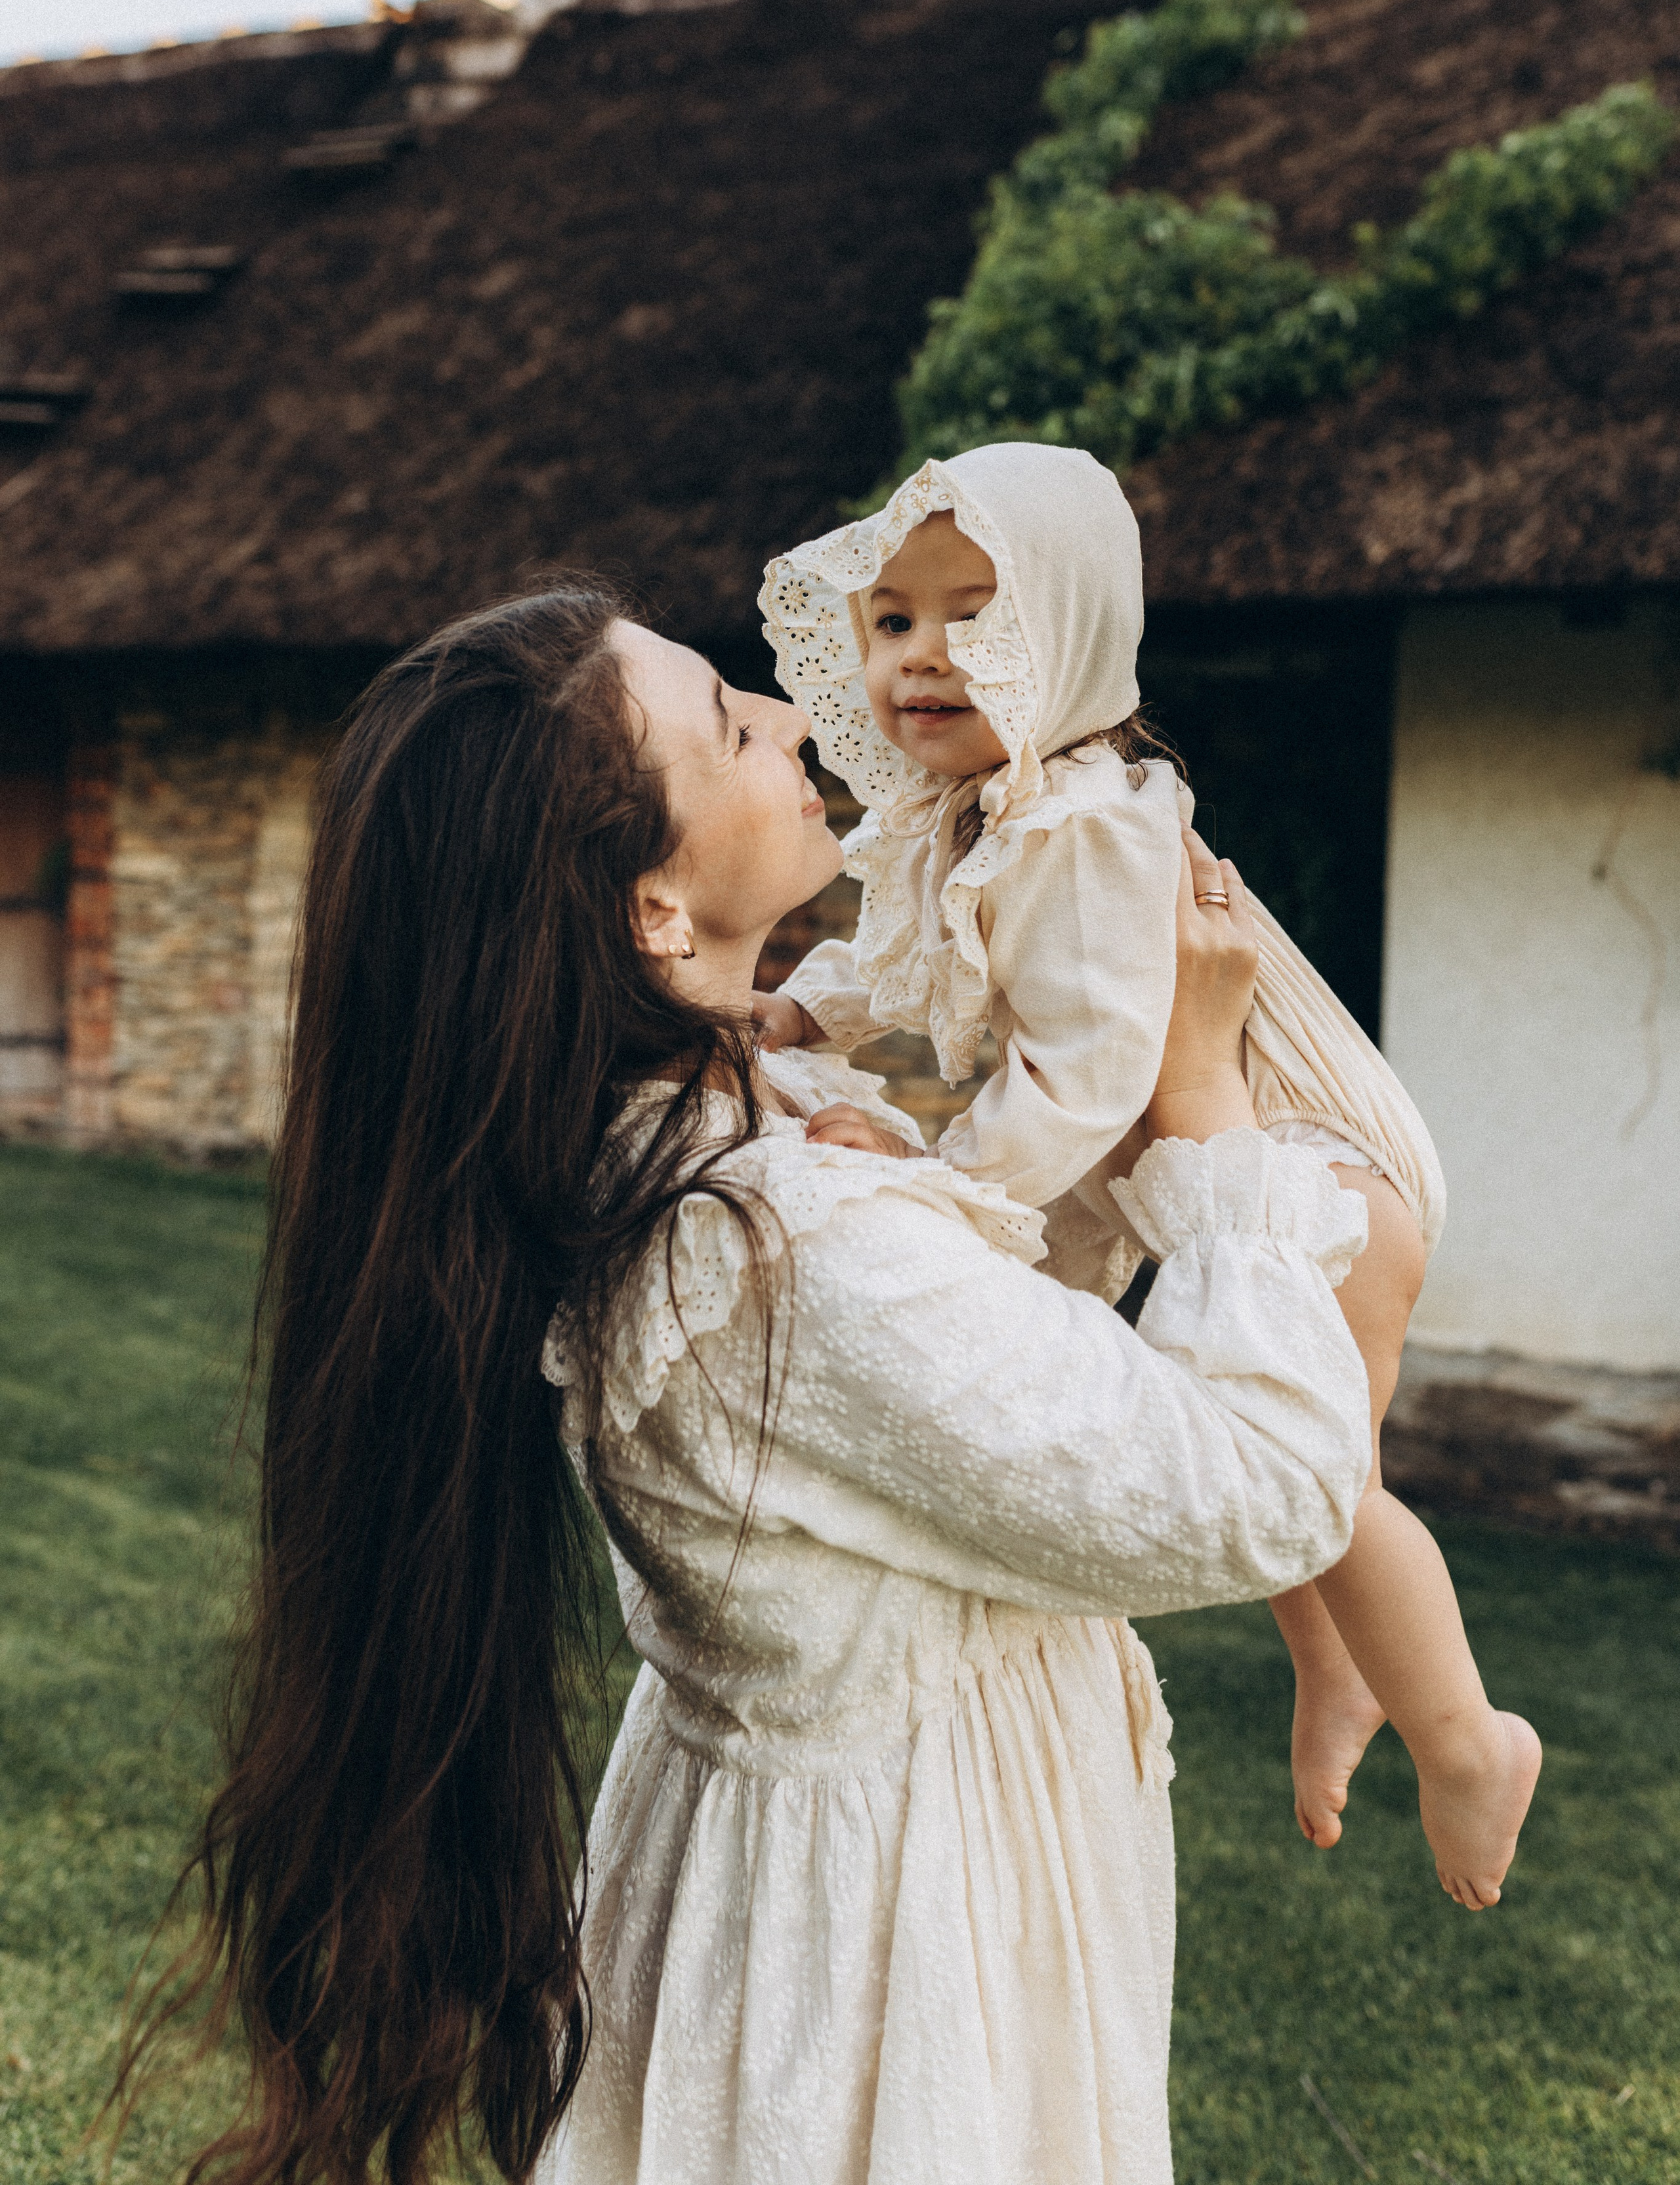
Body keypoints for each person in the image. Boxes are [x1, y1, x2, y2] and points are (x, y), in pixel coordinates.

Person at [130, 585, 1376, 2185]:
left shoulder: (686, 1148)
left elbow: (968, 1375)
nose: (794, 720)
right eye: (726, 720)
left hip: (783, 1897)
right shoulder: (785, 1247)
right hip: (897, 1964)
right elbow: (1253, 1488)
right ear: (652, 909)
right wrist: (1204, 1102)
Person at [757, 445, 1541, 1907]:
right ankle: (1333, 1673)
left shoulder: (1090, 823)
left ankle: (1465, 1739)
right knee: (1272, 1457)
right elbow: (890, 945)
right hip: (1201, 1157)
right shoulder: (967, 807)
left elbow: (1090, 1074)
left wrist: (942, 1182)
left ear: (1065, 637)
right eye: (892, 622)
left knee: (1326, 1479)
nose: (922, 659)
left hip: (1313, 1163)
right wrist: (804, 1009)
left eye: (975, 619)